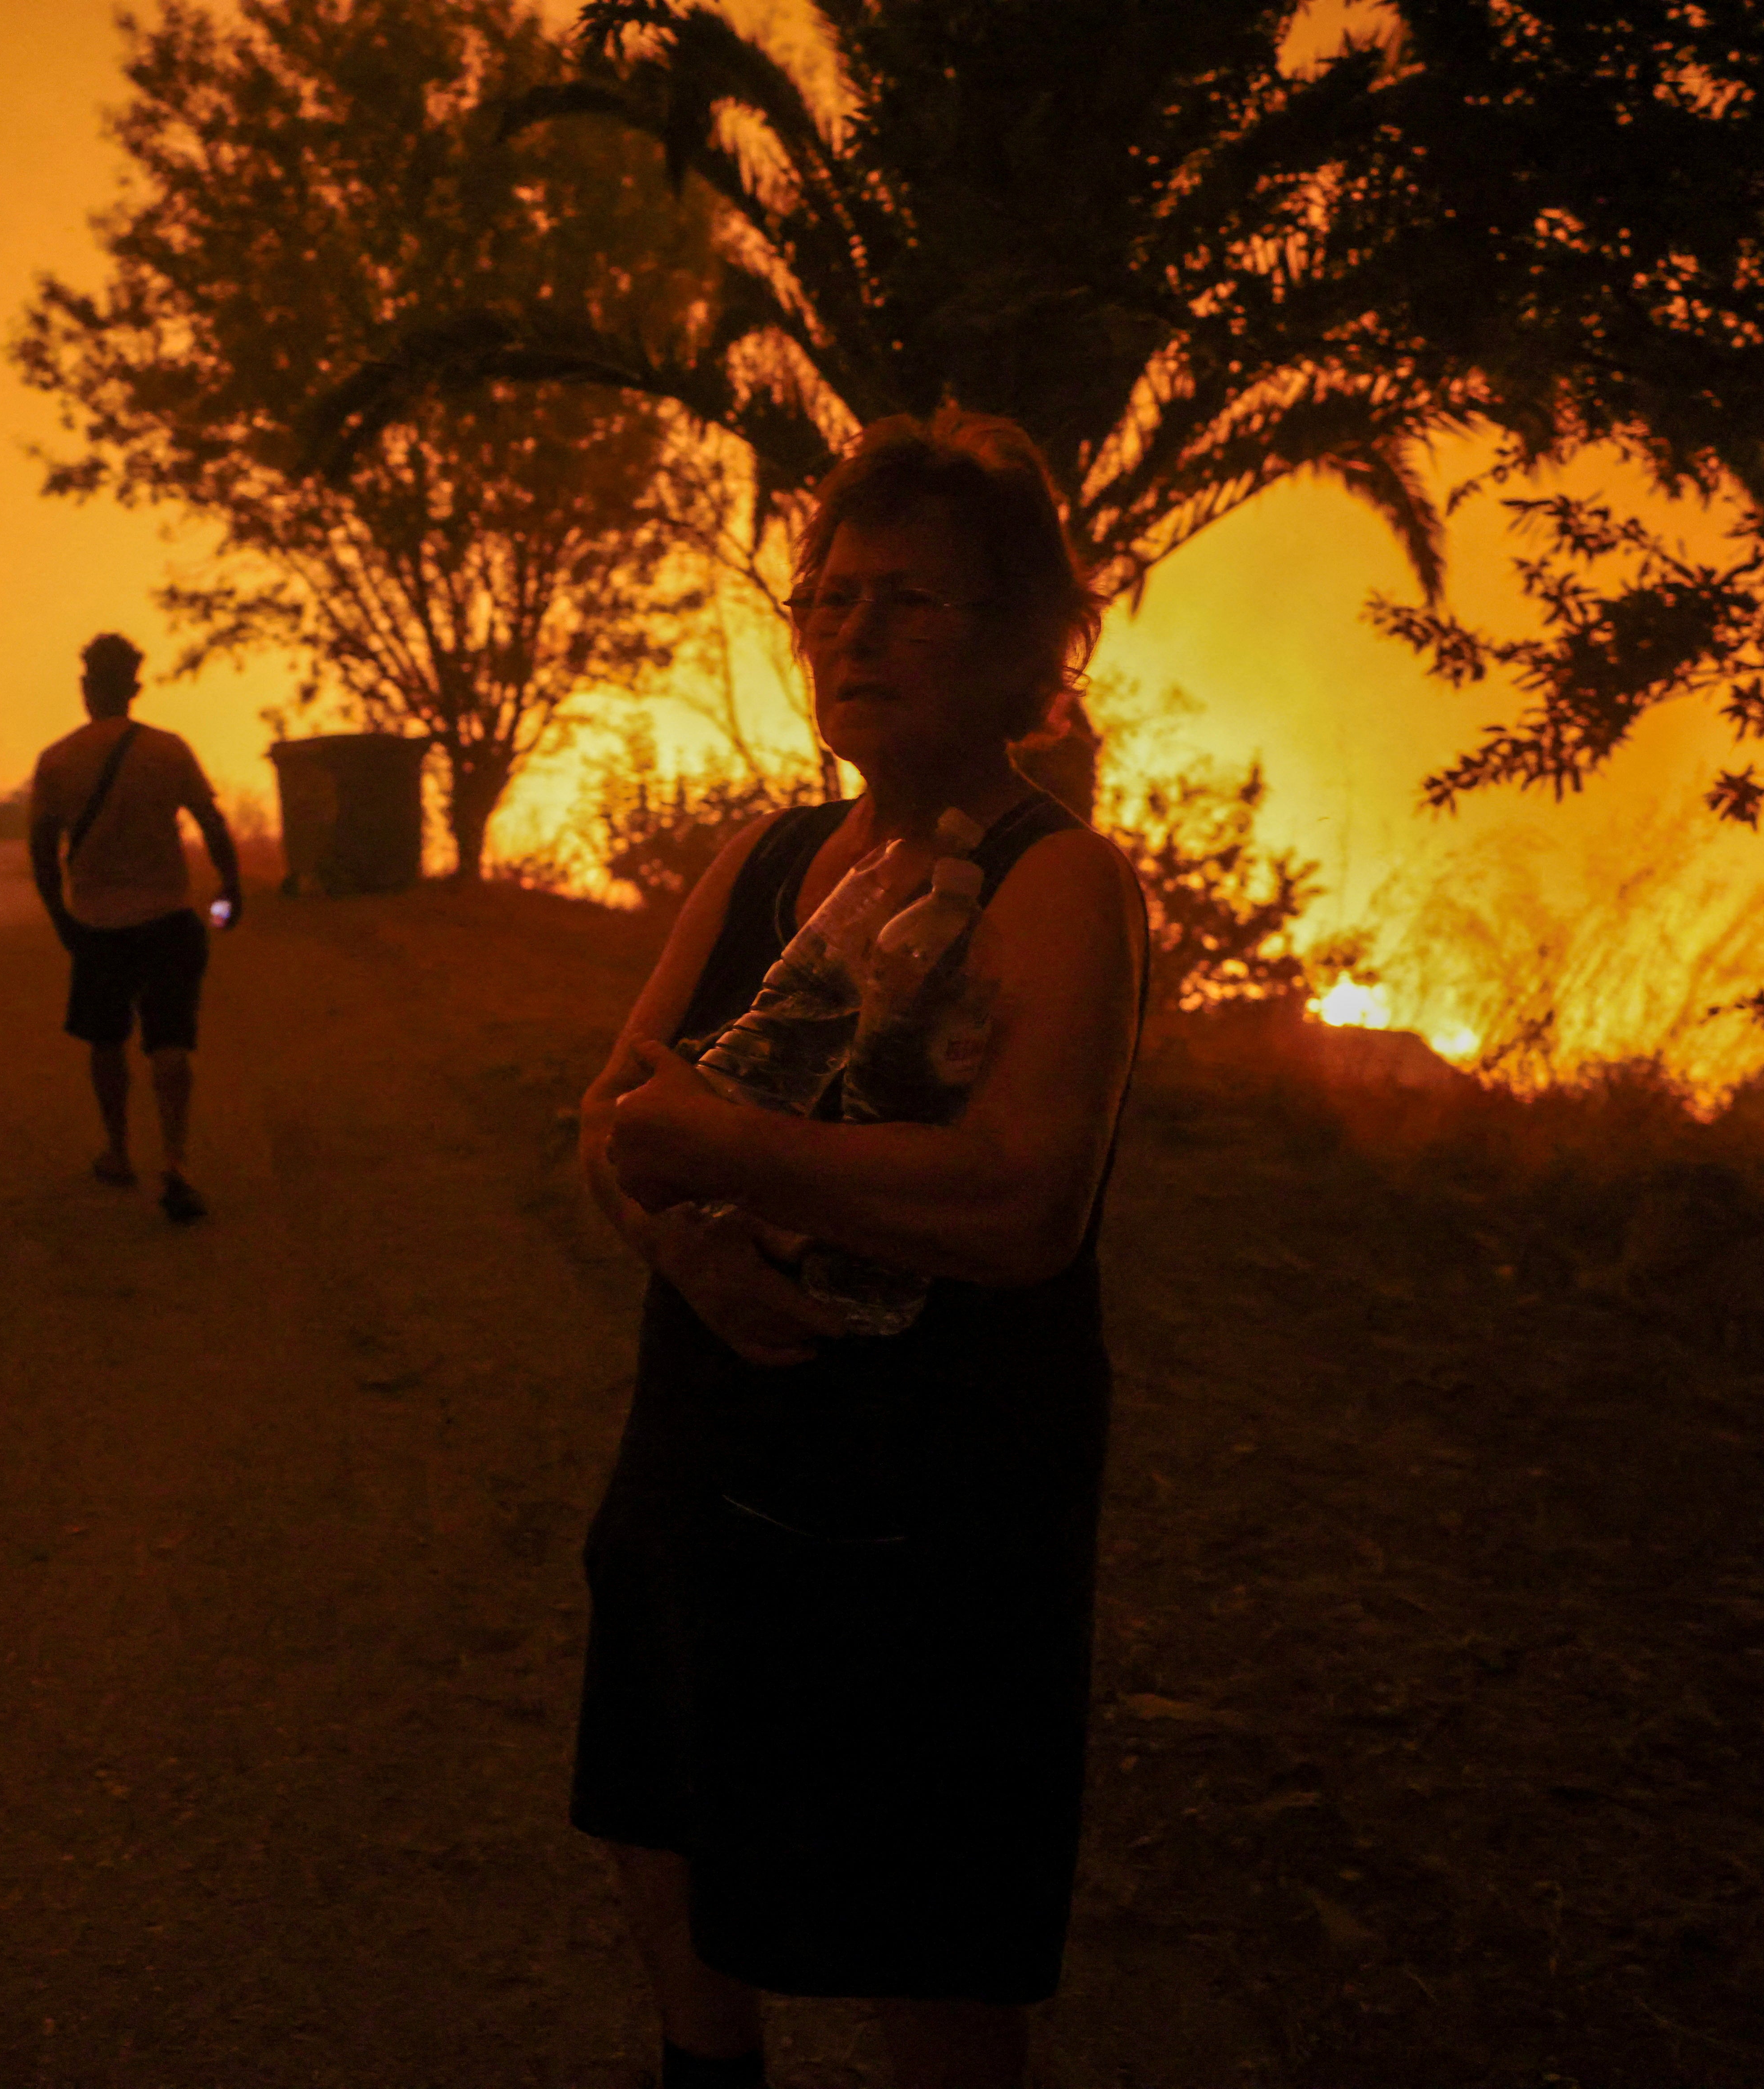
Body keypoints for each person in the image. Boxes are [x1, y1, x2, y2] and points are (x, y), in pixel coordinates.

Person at [574, 408, 1149, 2089]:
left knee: (928, 1908)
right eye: (828, 597)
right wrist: (691, 1256)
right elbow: (610, 1116)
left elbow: (1020, 1202)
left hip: (938, 1489)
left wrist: (732, 1154)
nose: (852, 631)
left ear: (1028, 647)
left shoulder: (1065, 885)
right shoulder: (762, 854)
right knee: (660, 1800)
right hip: (707, 1442)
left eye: (910, 600)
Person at [28, 632, 242, 1225]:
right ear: (135, 687)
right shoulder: (169, 751)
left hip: (97, 924)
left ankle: (120, 1151)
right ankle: (176, 1159)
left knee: (106, 1040)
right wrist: (231, 887)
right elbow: (212, 823)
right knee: (171, 1042)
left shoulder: (59, 759)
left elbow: (43, 850)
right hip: (168, 918)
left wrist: (60, 917)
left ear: (85, 687)